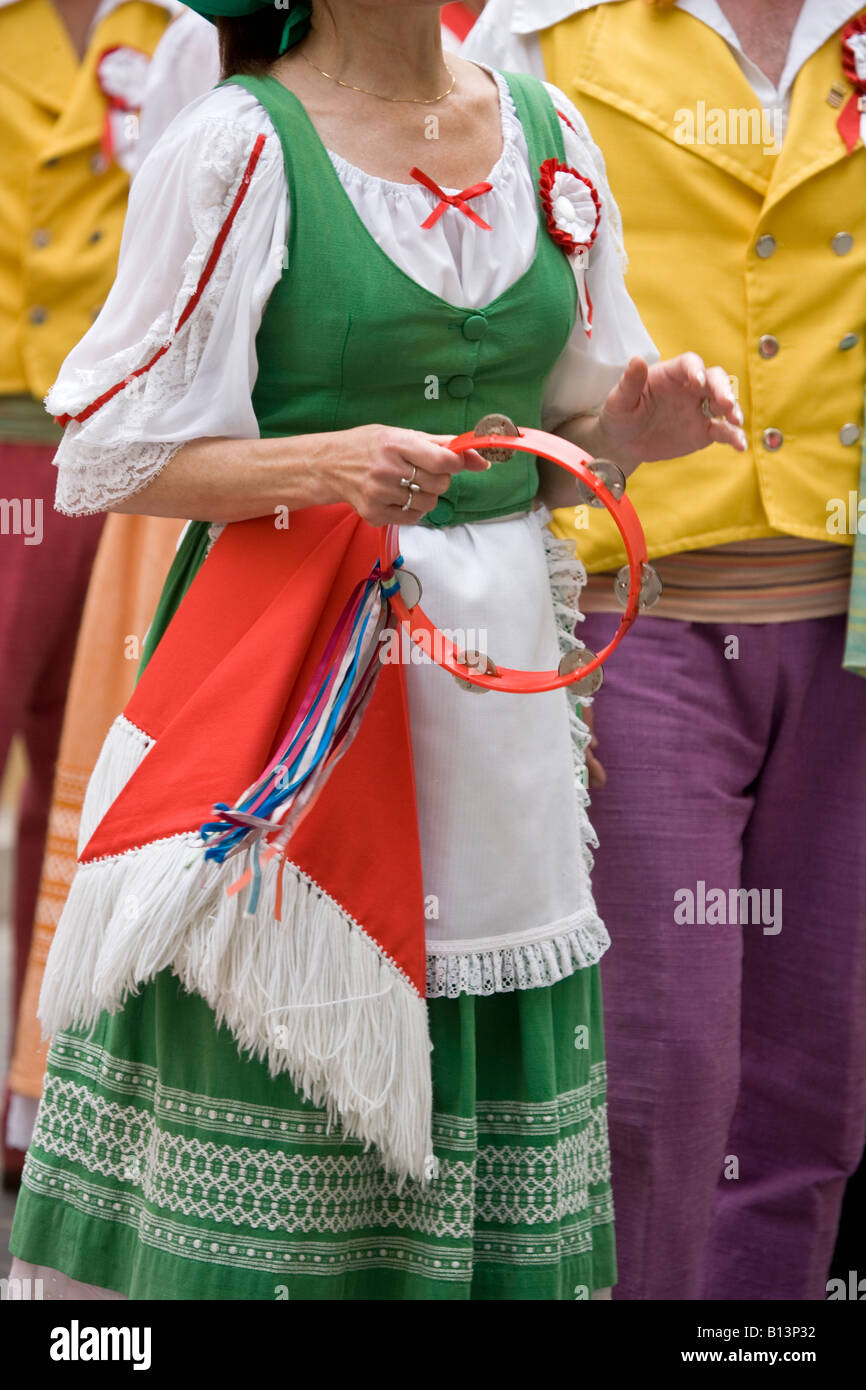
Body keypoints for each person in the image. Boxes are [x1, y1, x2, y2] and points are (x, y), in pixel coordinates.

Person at [9, 0, 741, 1300]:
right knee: (286, 1113)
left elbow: (563, 418)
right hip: (291, 707)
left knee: (481, 1033)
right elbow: (104, 456)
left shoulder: (539, 122)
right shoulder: (239, 145)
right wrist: (328, 460)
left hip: (501, 710)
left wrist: (637, 430)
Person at [465, 0, 866, 1301]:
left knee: (818, 1067)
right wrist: (584, 419)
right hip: (630, 600)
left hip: (851, 617)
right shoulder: (536, 36)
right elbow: (447, 298)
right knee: (660, 1059)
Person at [0, 0, 179, 1187]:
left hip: (132, 450)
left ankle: (45, 1108)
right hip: (9, 430)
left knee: (89, 779)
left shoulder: (192, 20)